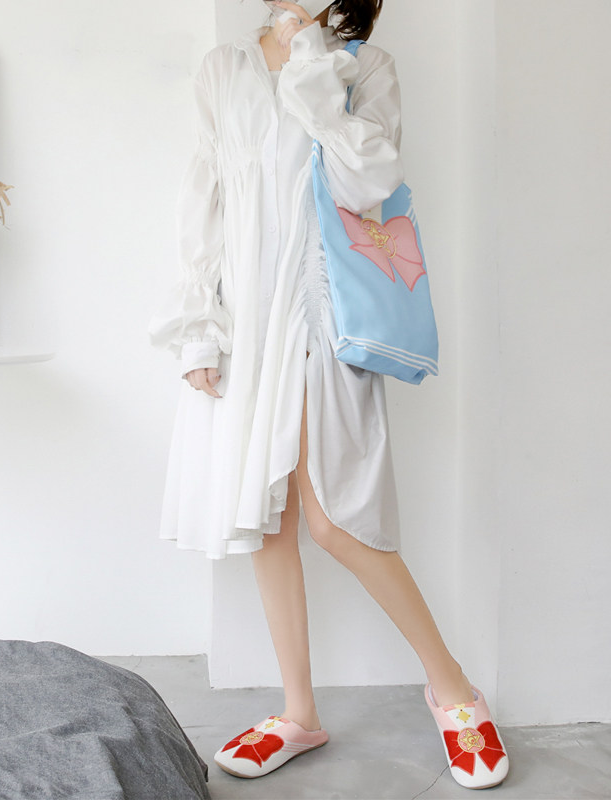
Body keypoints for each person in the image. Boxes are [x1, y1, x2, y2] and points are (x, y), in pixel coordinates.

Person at [149, 0, 509, 789]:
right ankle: (299, 713)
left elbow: (368, 181)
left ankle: (453, 689)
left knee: (335, 517)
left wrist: (310, 54)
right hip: (246, 320)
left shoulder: (363, 67)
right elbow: (202, 202)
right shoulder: (225, 69)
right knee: (269, 517)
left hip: (319, 312)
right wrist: (198, 329)